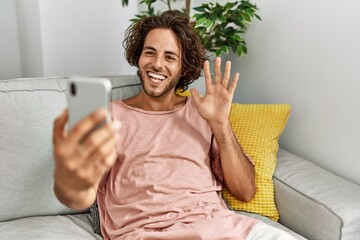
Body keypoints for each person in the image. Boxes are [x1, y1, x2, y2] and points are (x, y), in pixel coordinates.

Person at [53, 10, 296, 240]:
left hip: (223, 229)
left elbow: (245, 191)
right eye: (150, 52)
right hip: (144, 233)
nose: (157, 64)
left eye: (170, 57)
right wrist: (70, 173)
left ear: (183, 68)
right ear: (138, 57)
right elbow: (79, 194)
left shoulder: (202, 113)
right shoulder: (109, 116)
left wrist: (220, 124)